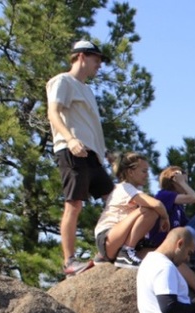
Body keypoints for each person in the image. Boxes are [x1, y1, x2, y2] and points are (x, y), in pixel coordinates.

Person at [47, 40, 113, 276]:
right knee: (74, 204)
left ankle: (109, 248)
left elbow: (88, 125)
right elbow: (53, 113)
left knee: (114, 200)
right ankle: (69, 262)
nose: (99, 65)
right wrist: (70, 139)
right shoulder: (63, 81)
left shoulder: (87, 90)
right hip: (71, 149)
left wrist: (104, 151)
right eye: (96, 59)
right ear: (82, 56)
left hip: (92, 154)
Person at [93, 152, 169, 268]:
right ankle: (126, 251)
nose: (147, 175)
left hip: (115, 241)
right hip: (108, 237)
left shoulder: (133, 190)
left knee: (161, 255)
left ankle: (124, 251)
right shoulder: (125, 187)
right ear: (130, 172)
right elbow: (157, 204)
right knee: (150, 210)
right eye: (144, 171)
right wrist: (165, 217)